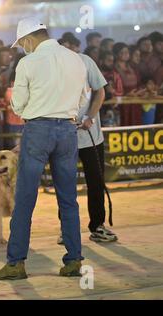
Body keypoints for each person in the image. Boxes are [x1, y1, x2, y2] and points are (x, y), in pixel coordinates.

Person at [0, 17, 87, 280]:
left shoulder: (28, 62)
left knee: (24, 199)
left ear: (29, 39)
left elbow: (19, 105)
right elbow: (83, 98)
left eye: (22, 44)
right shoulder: (75, 58)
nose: (23, 48)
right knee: (68, 199)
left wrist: (35, 111)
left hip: (38, 130)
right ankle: (74, 259)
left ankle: (16, 263)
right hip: (68, 131)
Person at [57, 52, 118, 245]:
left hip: (91, 136)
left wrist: (90, 116)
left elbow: (100, 91)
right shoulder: (51, 65)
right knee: (65, 184)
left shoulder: (86, 61)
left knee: (96, 181)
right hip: (64, 135)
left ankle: (97, 226)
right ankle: (66, 228)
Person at [113, 42, 144, 126]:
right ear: (116, 54)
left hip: (135, 100)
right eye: (123, 52)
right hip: (122, 103)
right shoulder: (113, 69)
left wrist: (140, 91)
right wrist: (126, 95)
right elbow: (114, 87)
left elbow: (138, 83)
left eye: (127, 52)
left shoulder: (132, 67)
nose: (126, 54)